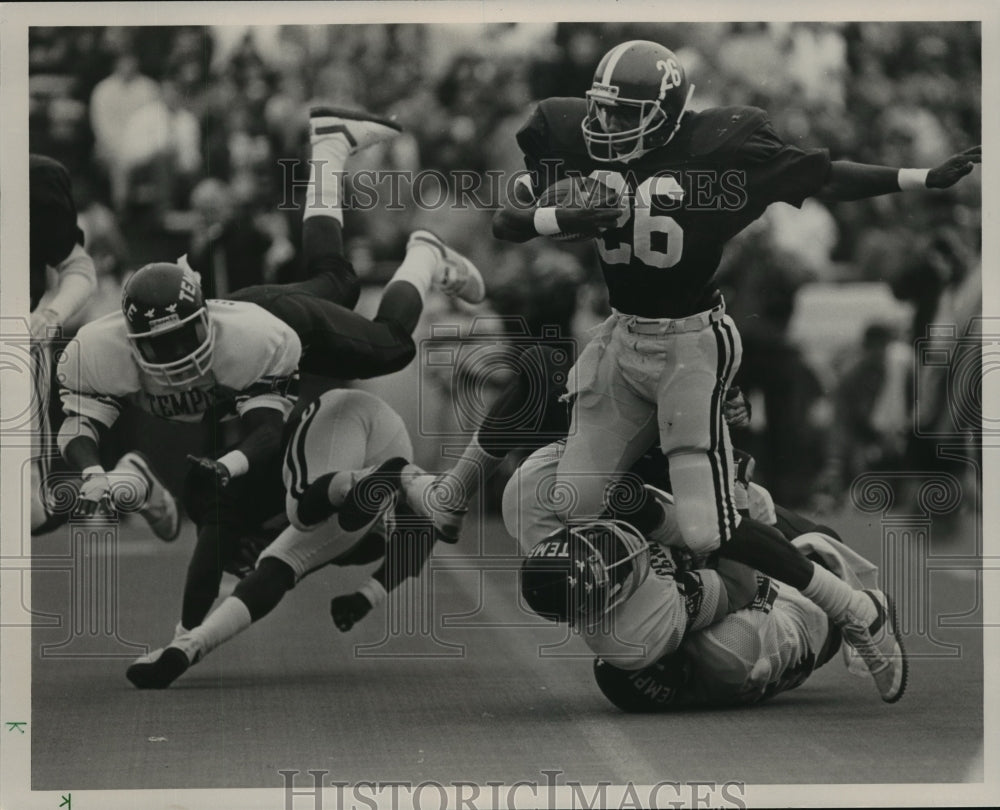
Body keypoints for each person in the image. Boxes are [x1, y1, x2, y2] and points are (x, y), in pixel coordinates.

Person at [490, 39, 977, 701]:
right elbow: (506, 219)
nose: (605, 128)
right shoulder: (573, 135)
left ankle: (855, 610)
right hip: (620, 337)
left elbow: (825, 173)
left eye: (624, 114)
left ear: (664, 114)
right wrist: (561, 216)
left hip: (692, 342)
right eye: (601, 112)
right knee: (573, 501)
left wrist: (918, 177)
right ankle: (700, 542)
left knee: (708, 526)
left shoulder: (721, 151)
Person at [56, 106, 485, 638]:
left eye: (183, 337)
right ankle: (329, 146)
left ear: (203, 319)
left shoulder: (251, 344)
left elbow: (267, 428)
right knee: (338, 278)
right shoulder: (97, 352)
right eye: (157, 343)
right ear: (128, 337)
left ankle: (424, 256)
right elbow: (78, 424)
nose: (174, 355)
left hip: (285, 325)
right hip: (251, 320)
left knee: (393, 346)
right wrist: (91, 471)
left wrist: (230, 466)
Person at [124, 387, 439, 689]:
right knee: (299, 551)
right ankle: (393, 480)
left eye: (239, 558)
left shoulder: (224, 494)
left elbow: (207, 568)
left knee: (301, 517)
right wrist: (368, 595)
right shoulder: (363, 537)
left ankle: (373, 479)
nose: (246, 563)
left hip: (344, 420)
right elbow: (425, 528)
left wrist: (183, 631)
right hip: (378, 451)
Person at [518, 477, 906, 707]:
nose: (620, 544)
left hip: (722, 619)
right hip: (797, 620)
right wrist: (729, 493)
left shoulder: (615, 619)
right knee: (740, 509)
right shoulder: (701, 643)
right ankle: (859, 610)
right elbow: (742, 581)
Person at [29, 153, 177, 539]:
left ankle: (127, 483)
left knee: (31, 515)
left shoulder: (38, 183)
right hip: (75, 327)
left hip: (61, 331)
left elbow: (93, 264)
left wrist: (49, 315)